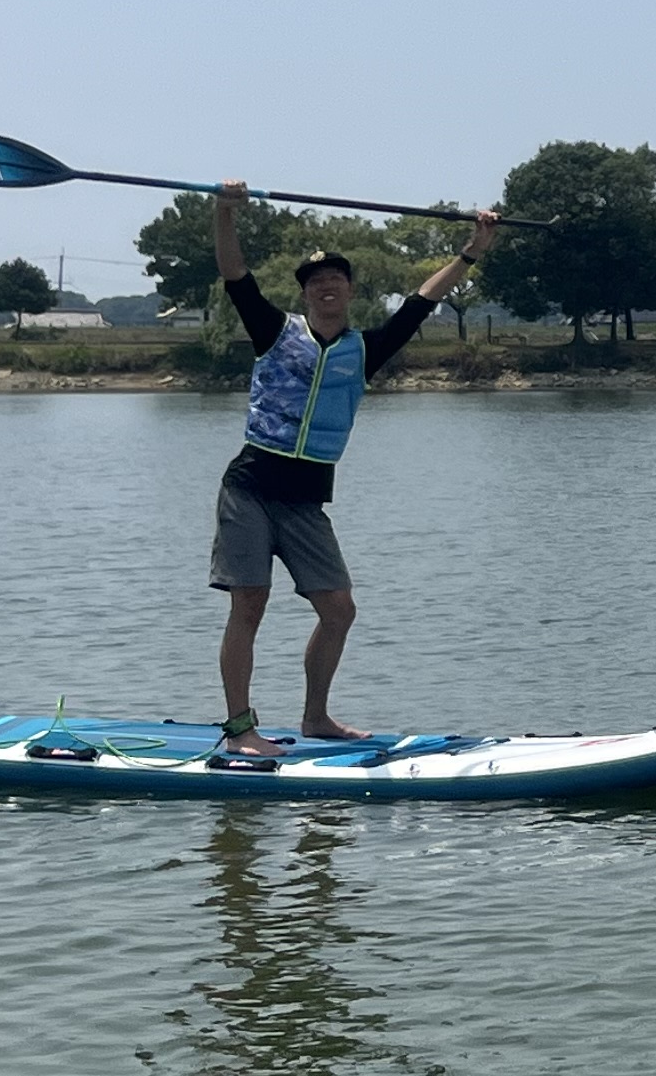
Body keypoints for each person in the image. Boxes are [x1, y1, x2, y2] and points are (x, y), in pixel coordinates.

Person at [206, 182, 500, 758]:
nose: (327, 283)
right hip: (250, 485)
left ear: (350, 289)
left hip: (306, 498)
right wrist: (224, 212)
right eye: (316, 280)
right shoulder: (274, 331)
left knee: (338, 610)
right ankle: (240, 729)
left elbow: (422, 300)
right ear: (306, 294)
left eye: (336, 277)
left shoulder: (367, 348)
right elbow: (235, 272)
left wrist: (473, 249)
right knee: (250, 603)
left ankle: (316, 718)